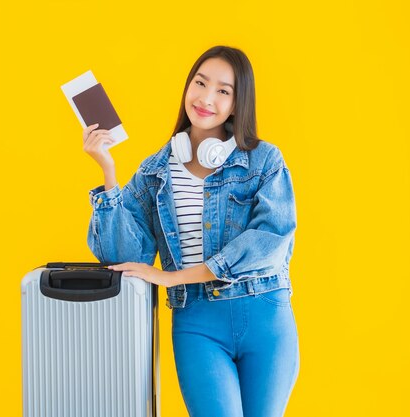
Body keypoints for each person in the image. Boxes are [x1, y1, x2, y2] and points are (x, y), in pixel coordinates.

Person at [82, 45, 299, 417]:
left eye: (223, 90)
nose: (206, 98)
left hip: (265, 314)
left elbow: (270, 240)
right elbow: (123, 256)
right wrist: (108, 174)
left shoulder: (264, 159)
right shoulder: (154, 171)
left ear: (237, 103)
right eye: (200, 83)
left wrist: (172, 277)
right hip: (197, 324)